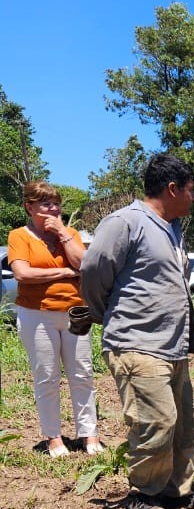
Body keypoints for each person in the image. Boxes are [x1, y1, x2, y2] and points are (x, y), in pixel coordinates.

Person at [81, 153, 194, 509]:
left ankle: (178, 489)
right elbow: (93, 274)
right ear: (172, 188)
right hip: (136, 344)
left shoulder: (172, 228)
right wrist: (107, 313)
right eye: (191, 191)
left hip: (172, 346)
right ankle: (142, 494)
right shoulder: (126, 223)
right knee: (155, 421)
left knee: (184, 423)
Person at [7, 181, 102, 457]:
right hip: (37, 314)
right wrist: (64, 273)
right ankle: (53, 437)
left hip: (76, 312)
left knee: (82, 373)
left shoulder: (69, 233)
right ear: (29, 206)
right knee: (46, 376)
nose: (53, 208)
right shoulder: (19, 236)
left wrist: (62, 234)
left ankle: (89, 433)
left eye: (56, 203)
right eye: (46, 203)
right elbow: (23, 274)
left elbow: (84, 264)